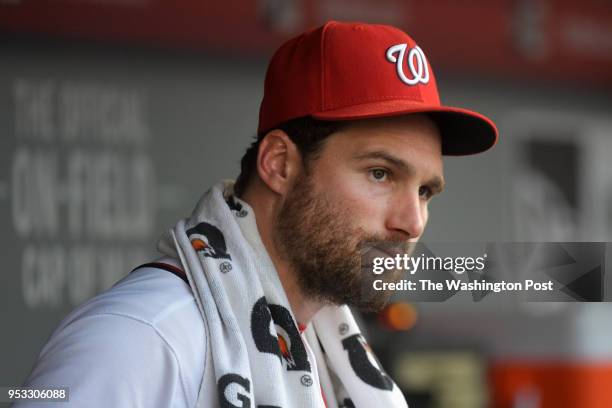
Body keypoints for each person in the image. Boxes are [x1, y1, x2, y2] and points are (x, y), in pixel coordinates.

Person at [16, 21, 498, 408]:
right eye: (380, 174)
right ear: (279, 164)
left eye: (426, 190)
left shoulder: (328, 350)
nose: (412, 222)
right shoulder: (140, 339)